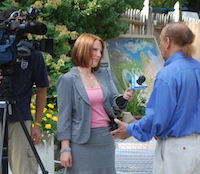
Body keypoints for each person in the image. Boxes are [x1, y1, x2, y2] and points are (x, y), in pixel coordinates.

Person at [112, 21, 200, 174]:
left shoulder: (168, 75)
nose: (159, 47)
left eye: (160, 42)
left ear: (168, 42)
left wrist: (131, 129)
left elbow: (157, 117)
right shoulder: (197, 68)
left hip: (176, 150)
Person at [56, 33, 135, 174]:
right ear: (82, 50)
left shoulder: (104, 74)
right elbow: (64, 117)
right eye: (94, 50)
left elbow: (113, 100)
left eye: (100, 51)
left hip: (105, 140)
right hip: (80, 143)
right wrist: (65, 149)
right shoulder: (67, 80)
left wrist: (125, 97)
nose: (99, 55)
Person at [0, 9, 49, 174]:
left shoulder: (33, 54)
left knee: (25, 169)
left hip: (20, 116)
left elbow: (42, 89)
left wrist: (37, 123)